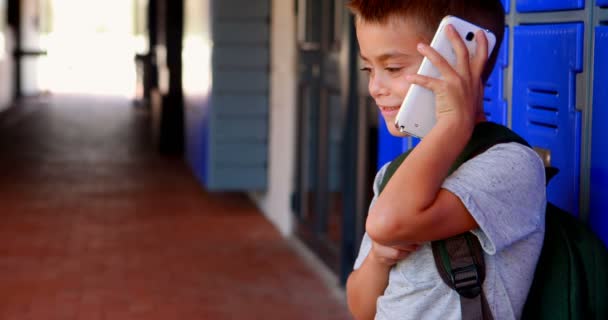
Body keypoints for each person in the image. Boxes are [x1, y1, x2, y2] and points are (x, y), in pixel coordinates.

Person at [345, 1, 547, 319]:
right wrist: (378, 261)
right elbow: (361, 309)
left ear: (460, 61)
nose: (375, 87)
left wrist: (454, 122)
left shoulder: (511, 165)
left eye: (393, 68)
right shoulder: (394, 175)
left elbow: (386, 224)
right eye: (368, 69)